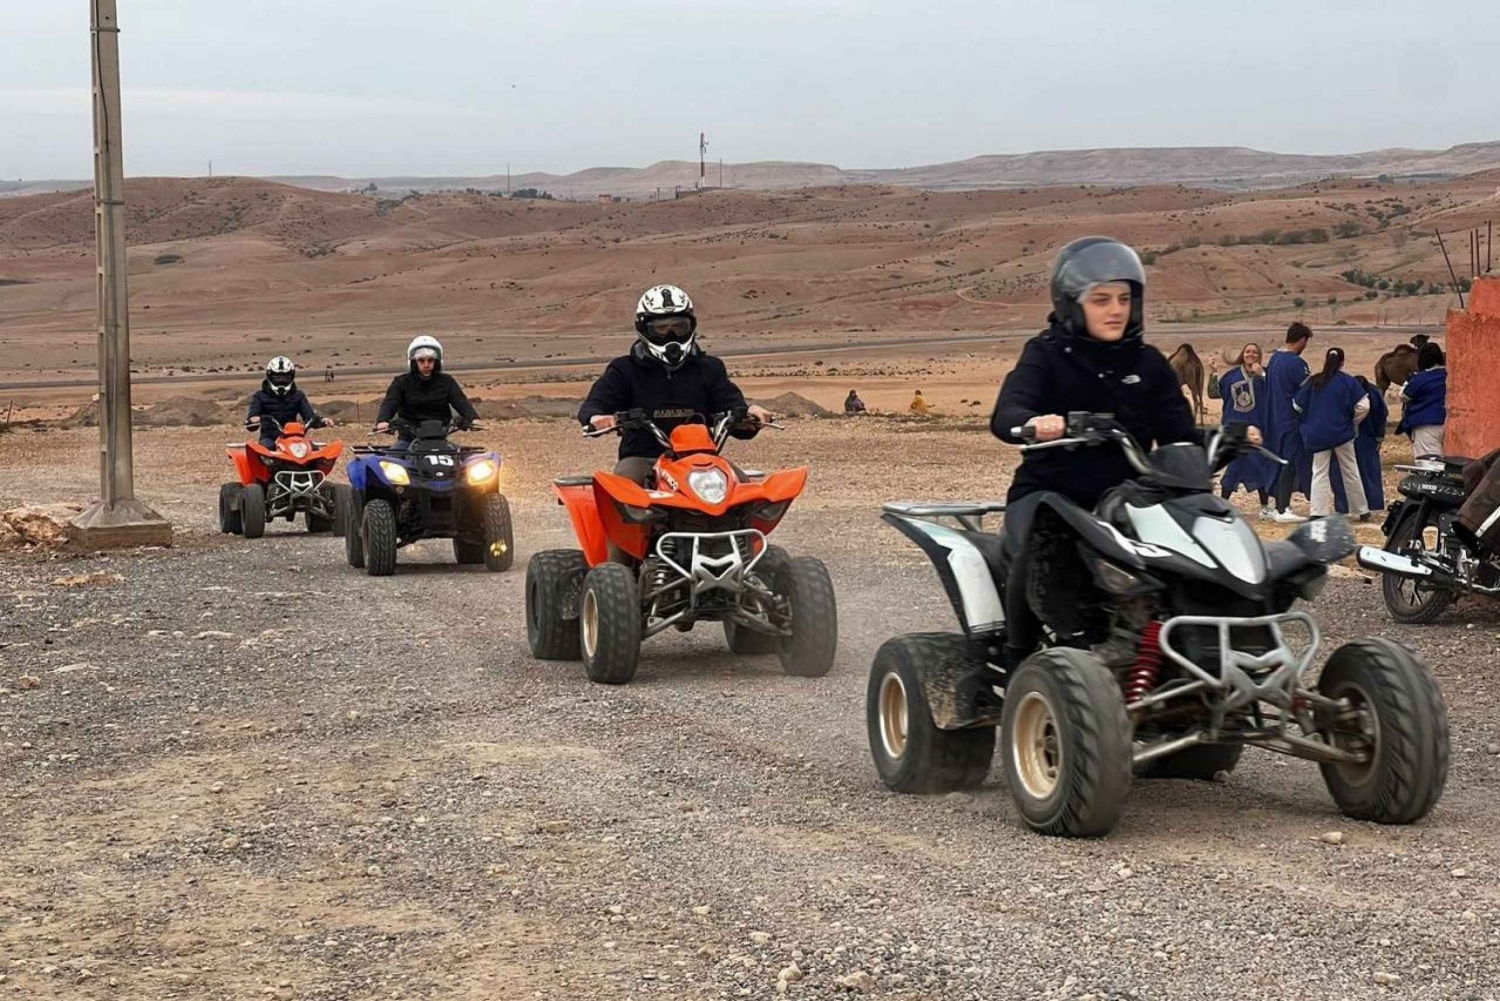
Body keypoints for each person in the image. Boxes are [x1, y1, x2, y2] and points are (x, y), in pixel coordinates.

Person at [992, 236, 1228, 668]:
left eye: (1124, 298)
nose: (1115, 309)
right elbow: (1006, 413)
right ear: (1071, 303)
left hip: (1128, 498)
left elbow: (1179, 434)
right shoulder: (1045, 355)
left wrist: (1223, 441)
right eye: (1100, 300)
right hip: (1049, 495)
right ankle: (1018, 656)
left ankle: (1188, 653)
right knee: (1038, 544)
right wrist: (1036, 423)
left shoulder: (1149, 363)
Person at [578, 284, 771, 487]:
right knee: (621, 493)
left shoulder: (709, 368)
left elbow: (731, 406)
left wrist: (749, 415)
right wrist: (596, 417)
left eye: (679, 327)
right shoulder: (624, 369)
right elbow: (596, 402)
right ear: (644, 329)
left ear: (691, 325)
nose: (671, 336)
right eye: (661, 329)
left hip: (702, 460)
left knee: (745, 492)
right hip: (643, 458)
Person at [1293, 347, 1371, 520]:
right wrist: (1353, 421)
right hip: (1343, 434)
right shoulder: (1349, 382)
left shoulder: (1314, 381)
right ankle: (1362, 510)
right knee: (1351, 470)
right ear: (1342, 362)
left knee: (1319, 472)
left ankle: (1318, 511)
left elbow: (1297, 405)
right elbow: (1364, 406)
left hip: (1318, 434)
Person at [374, 335, 478, 450]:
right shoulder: (401, 382)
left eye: (430, 360)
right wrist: (382, 421)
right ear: (414, 362)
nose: (426, 364)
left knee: (469, 462)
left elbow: (460, 400)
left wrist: (473, 418)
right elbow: (390, 402)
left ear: (437, 362)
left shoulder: (447, 381)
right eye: (421, 360)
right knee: (387, 463)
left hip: (439, 439)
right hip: (408, 440)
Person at [1208, 342, 1276, 518]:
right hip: (1236, 429)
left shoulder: (1265, 374)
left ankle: (1264, 507)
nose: (1251, 354)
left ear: (1259, 355)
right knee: (1234, 468)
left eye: (1254, 352)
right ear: (1242, 354)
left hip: (1257, 430)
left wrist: (1262, 374)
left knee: (1261, 467)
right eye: (1247, 351)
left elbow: (1277, 391)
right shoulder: (1231, 376)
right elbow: (1214, 393)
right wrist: (1214, 372)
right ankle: (1222, 506)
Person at [1261, 322, 1315, 523]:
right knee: (1290, 463)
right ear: (1302, 340)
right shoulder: (1295, 363)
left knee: (1284, 461)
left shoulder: (1275, 359)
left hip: (1277, 419)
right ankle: (1282, 508)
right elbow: (1307, 389)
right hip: (1291, 421)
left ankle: (1281, 505)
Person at [1331, 374, 1387, 514]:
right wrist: (1380, 435)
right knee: (1369, 471)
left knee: (1343, 471)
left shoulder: (1343, 391)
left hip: (1344, 436)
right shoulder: (1373, 392)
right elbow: (1381, 414)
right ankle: (1374, 505)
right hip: (1368, 436)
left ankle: (1344, 506)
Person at [246, 356, 329, 449]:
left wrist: (322, 421)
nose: (281, 381)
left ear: (292, 377)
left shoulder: (298, 395)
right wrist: (254, 420)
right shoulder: (260, 396)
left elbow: (309, 417)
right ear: (270, 377)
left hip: (294, 437)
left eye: (285, 378)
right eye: (277, 378)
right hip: (269, 437)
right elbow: (251, 422)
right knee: (266, 448)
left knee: (314, 451)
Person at [1397, 342, 1447, 460]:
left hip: (1427, 426)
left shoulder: (1421, 378)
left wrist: (1408, 381)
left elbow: (1403, 396)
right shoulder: (1448, 374)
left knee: (1429, 464)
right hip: (1449, 423)